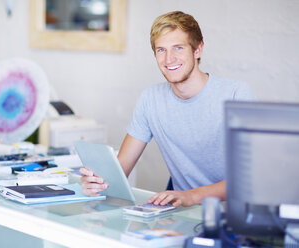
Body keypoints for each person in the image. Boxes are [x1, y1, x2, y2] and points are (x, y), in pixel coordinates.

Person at [80, 11, 256, 207]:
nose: (169, 59)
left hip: (231, 214)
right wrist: (97, 183)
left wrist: (191, 196)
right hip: (182, 214)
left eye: (178, 48)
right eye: (161, 50)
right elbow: (120, 172)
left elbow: (250, 178)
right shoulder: (150, 98)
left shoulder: (235, 94)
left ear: (198, 50)